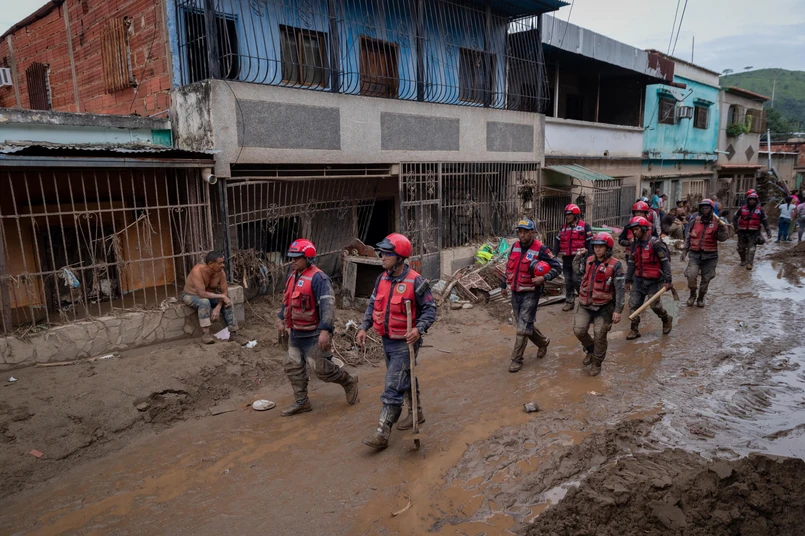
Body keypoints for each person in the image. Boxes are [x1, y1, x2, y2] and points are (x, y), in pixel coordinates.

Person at [357, 233, 436, 450]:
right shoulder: (381, 279)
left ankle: (382, 432)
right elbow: (373, 305)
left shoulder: (416, 281)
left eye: (387, 254)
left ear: (399, 258)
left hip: (405, 342)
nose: (382, 257)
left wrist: (418, 329)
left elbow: (430, 309)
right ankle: (416, 412)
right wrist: (363, 327)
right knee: (404, 376)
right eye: (382, 253)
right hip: (387, 339)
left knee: (393, 384)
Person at [277, 239, 359, 417]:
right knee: (293, 367)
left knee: (321, 370)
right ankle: (302, 402)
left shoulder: (319, 279)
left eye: (297, 258)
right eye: (291, 257)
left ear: (308, 258)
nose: (293, 260)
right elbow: (287, 300)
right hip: (296, 332)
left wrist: (325, 331)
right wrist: (281, 319)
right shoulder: (292, 276)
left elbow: (328, 307)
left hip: (313, 333)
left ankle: (349, 381)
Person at [502, 219, 562, 373]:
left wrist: (544, 278)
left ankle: (516, 360)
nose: (522, 235)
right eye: (520, 232)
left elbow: (557, 267)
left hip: (531, 292)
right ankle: (543, 342)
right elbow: (509, 266)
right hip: (515, 291)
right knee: (524, 325)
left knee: (522, 328)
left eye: (525, 232)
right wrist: (503, 285)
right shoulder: (515, 246)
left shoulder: (541, 249)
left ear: (532, 233)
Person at [572, 233, 625, 377]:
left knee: (600, 335)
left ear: (607, 248)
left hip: (604, 307)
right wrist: (578, 257)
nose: (597, 249)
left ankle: (597, 362)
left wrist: (618, 310)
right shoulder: (589, 260)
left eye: (601, 247)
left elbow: (620, 289)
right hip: (585, 304)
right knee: (579, 330)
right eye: (595, 246)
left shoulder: (615, 265)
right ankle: (590, 349)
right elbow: (577, 272)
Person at [625, 216, 674, 340]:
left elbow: (665, 262)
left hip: (654, 281)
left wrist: (668, 280)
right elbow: (631, 263)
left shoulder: (656, 244)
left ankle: (666, 318)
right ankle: (634, 330)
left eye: (637, 229)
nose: (634, 232)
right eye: (633, 230)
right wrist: (628, 280)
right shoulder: (634, 244)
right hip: (639, 280)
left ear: (644, 229)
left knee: (655, 306)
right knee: (633, 305)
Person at [181, 251, 245, 345]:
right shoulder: (197, 271)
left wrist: (218, 307)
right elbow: (202, 294)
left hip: (210, 296)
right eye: (220, 263)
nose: (223, 265)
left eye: (223, 263)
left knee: (227, 303)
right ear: (210, 264)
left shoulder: (221, 273)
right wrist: (222, 296)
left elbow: (225, 292)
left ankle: (233, 333)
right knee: (204, 302)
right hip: (190, 296)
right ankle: (206, 334)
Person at [683, 199, 729, 308]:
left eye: (707, 208)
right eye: (703, 208)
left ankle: (700, 298)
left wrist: (722, 228)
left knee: (706, 279)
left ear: (711, 209)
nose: (705, 210)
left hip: (710, 256)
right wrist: (685, 250)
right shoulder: (695, 221)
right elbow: (688, 236)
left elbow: (722, 239)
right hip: (695, 255)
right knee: (691, 275)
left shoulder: (717, 222)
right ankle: (692, 295)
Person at [553, 204, 592, 311]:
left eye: (569, 214)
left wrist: (590, 257)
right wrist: (553, 255)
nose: (567, 216)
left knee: (577, 280)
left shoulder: (585, 226)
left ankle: (584, 300)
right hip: (566, 259)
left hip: (578, 259)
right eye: (566, 214)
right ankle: (570, 302)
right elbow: (557, 243)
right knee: (568, 280)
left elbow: (590, 243)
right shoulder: (563, 228)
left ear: (575, 215)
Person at [733, 191, 772, 270]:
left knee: (752, 249)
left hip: (754, 232)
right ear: (748, 200)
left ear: (756, 200)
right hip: (742, 232)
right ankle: (743, 260)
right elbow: (735, 218)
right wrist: (736, 228)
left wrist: (768, 232)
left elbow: (765, 221)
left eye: (754, 200)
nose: (752, 201)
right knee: (740, 248)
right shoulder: (742, 208)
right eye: (750, 199)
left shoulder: (760, 210)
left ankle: (749, 263)